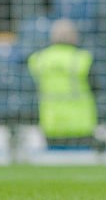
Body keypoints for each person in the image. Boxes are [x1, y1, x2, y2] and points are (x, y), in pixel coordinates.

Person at [27, 18, 101, 149]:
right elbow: (97, 88)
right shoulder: (83, 59)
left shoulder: (39, 59)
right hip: (80, 127)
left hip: (51, 127)